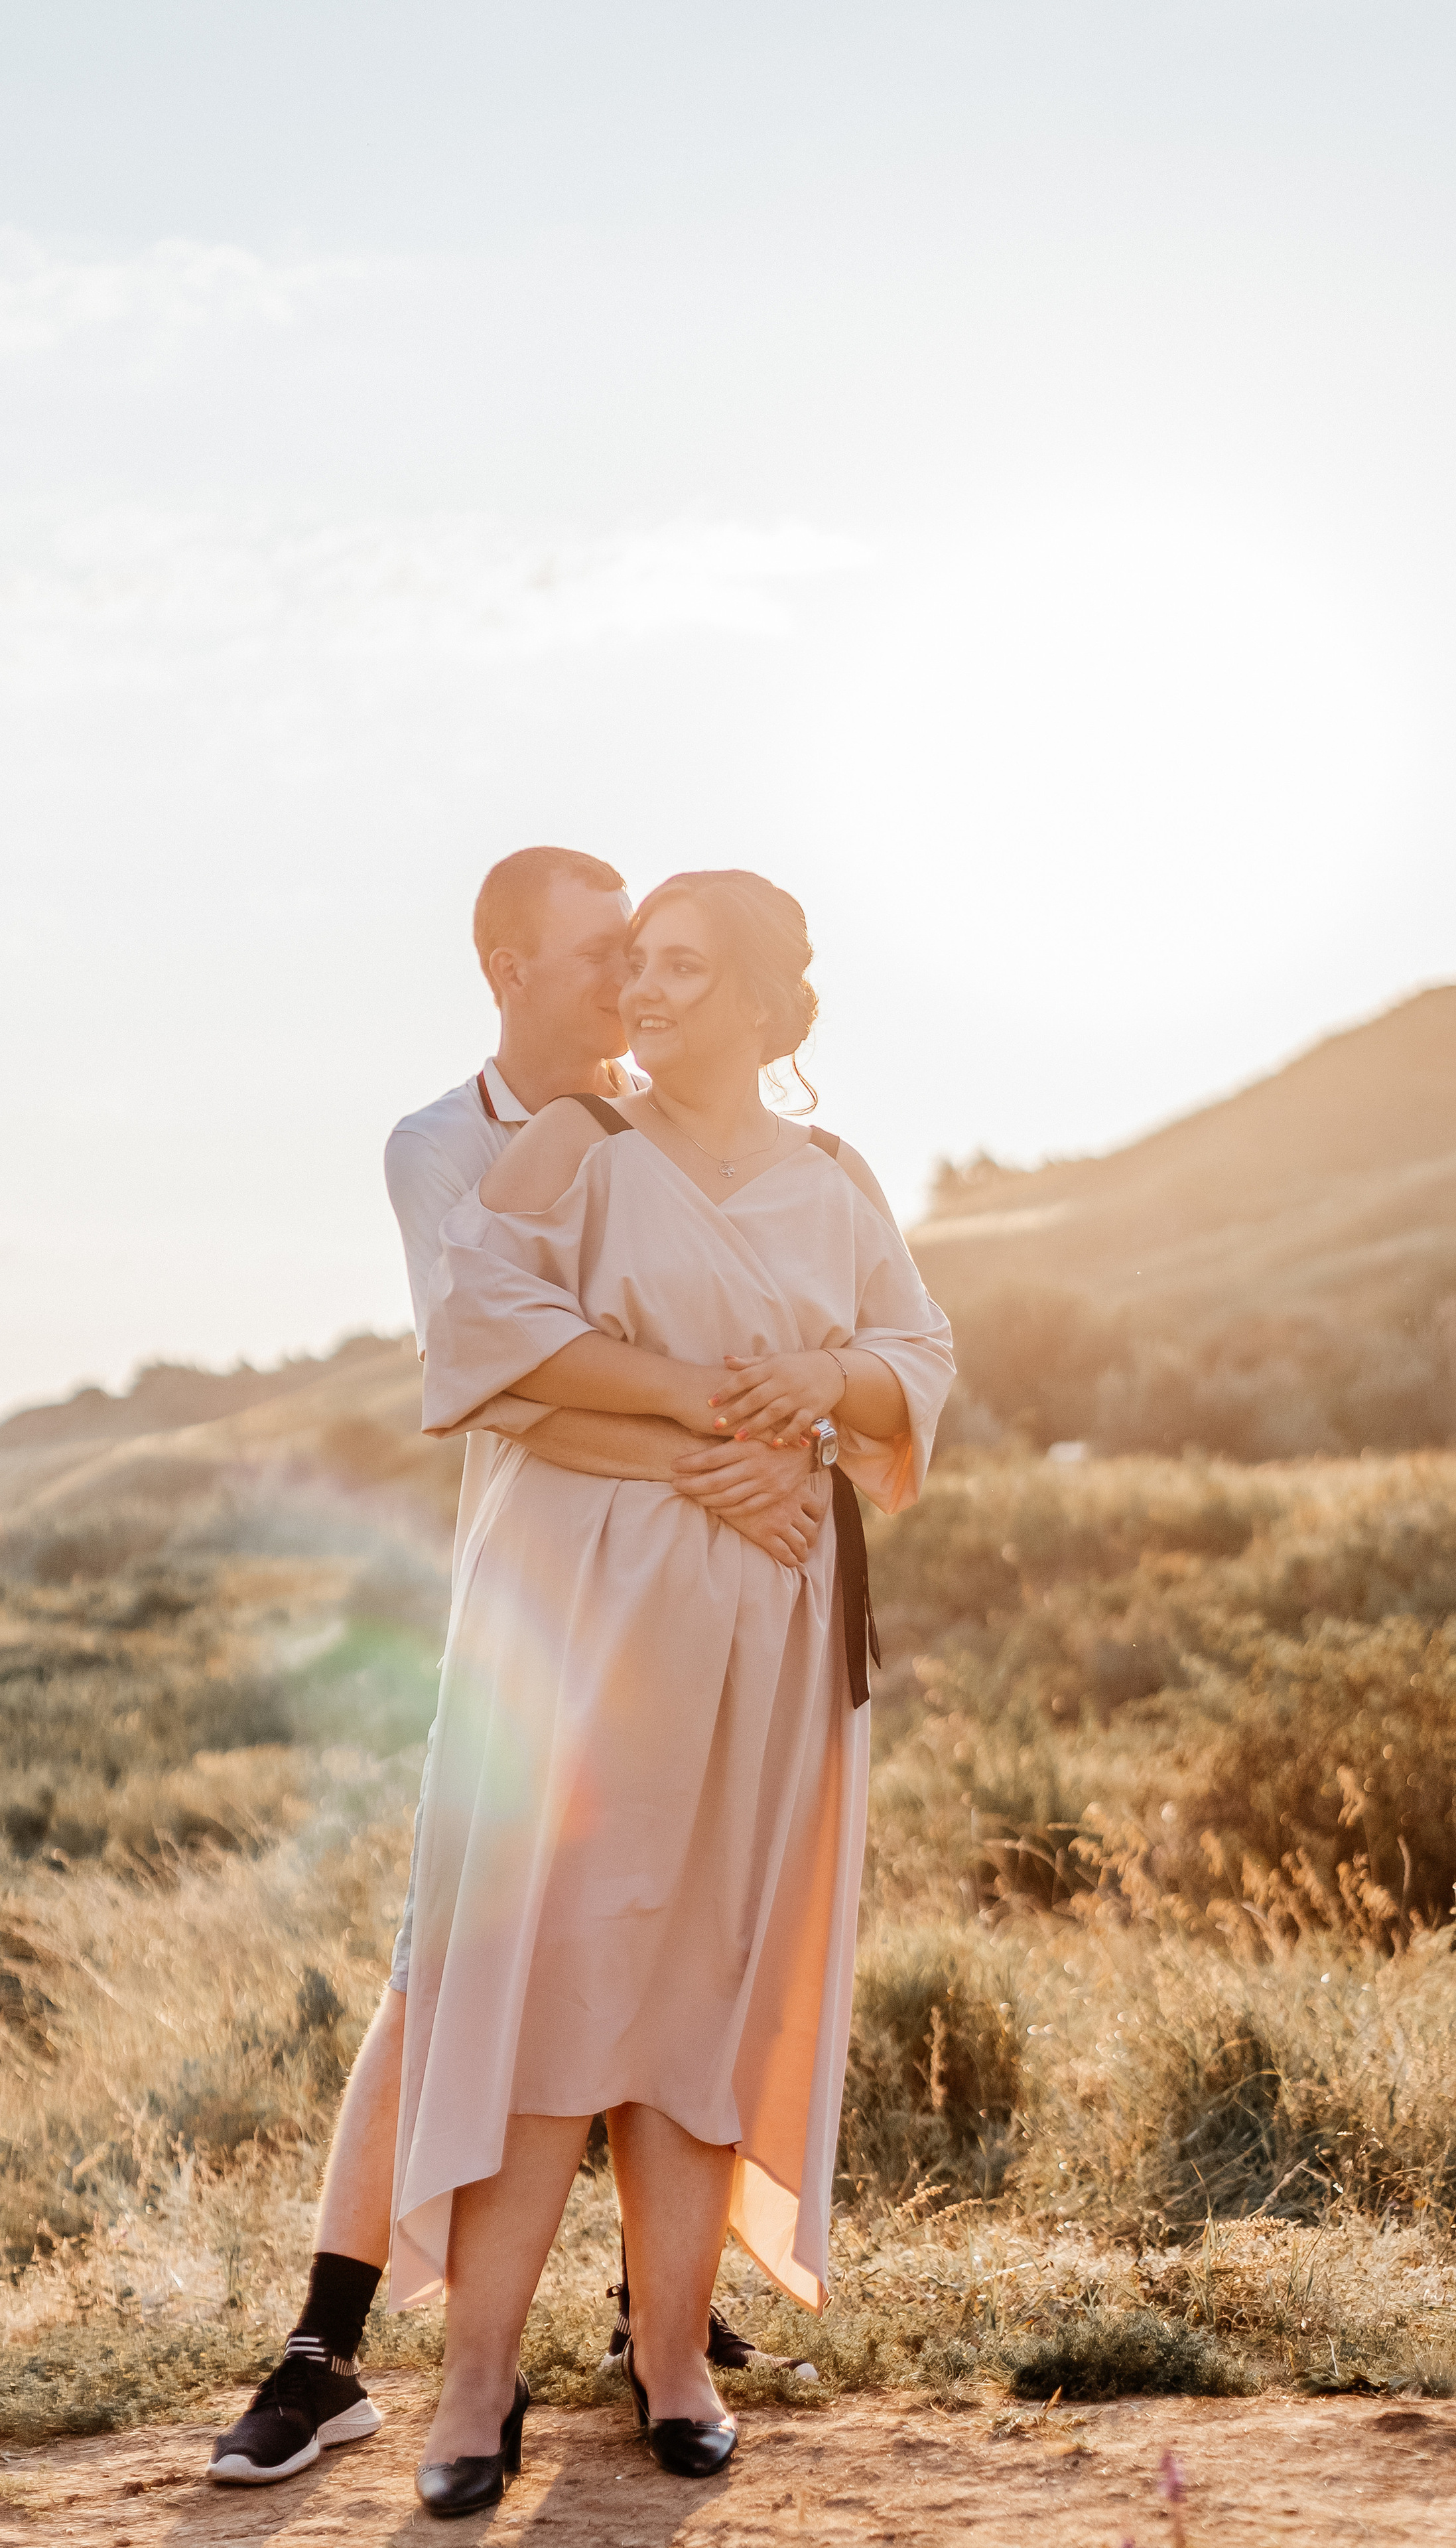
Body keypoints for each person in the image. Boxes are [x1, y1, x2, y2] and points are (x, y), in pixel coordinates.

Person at [208, 849, 825, 2488]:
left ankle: (654, 2328)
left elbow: (778, 1339)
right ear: (509, 969)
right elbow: (495, 1377)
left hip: (681, 1621)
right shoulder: (446, 1148)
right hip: (531, 1627)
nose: (631, 977)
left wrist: (784, 1436)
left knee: (658, 1951)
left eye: (649, 950)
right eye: (602, 950)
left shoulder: (676, 1126)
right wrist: (713, 1446)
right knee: (449, 1969)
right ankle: (328, 2348)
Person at [395, 869, 952, 2513]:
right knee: (548, 1978)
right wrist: (716, 1419)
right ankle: (474, 2385)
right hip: (581, 1618)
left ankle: (672, 2360)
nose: (642, 991)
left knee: (708, 1974)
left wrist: (828, 1380)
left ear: (769, 1004)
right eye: (635, 962)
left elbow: (915, 1359)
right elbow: (489, 1335)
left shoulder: (834, 1179)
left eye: (683, 970)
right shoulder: (576, 1147)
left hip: (769, 1633)